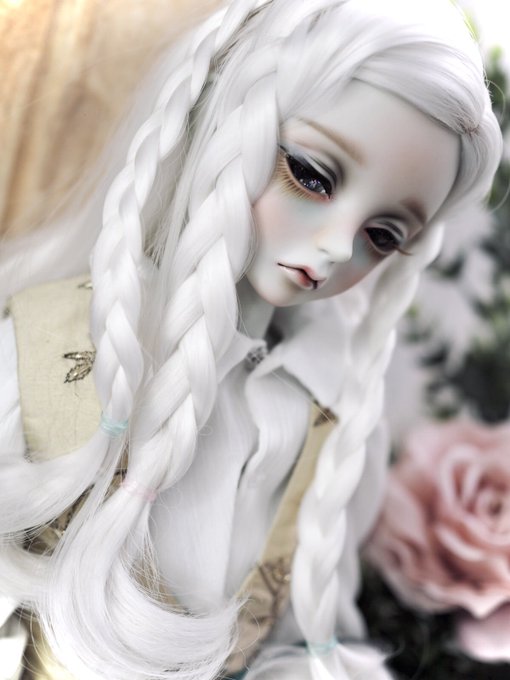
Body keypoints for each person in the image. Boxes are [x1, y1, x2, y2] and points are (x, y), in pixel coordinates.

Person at [0, 0, 502, 678]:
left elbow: (302, 630)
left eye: (382, 235)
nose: (337, 247)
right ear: (230, 124)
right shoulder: (49, 349)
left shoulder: (330, 411)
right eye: (313, 177)